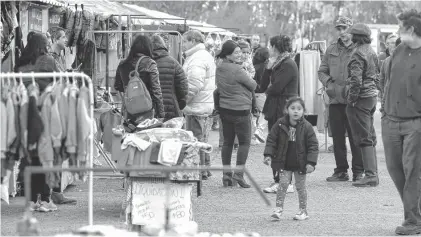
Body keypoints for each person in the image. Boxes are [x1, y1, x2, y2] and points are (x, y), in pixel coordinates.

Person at [382, 9, 421, 235]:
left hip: (415, 122)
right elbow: (388, 82)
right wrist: (385, 114)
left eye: (400, 28)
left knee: (413, 170)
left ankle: (413, 221)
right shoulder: (398, 50)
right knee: (395, 169)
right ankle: (415, 211)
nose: (397, 32)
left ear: (412, 30)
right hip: (391, 121)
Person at [15, 32, 59, 212]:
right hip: (45, 111)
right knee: (46, 157)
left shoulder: (20, 63)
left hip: (24, 112)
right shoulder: (48, 61)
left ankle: (32, 200)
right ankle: (46, 199)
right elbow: (58, 81)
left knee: (30, 157)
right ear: (43, 45)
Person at [318, 16, 364, 183]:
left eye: (344, 28)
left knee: (355, 137)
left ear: (351, 28)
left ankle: (359, 171)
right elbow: (321, 71)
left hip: (354, 100)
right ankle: (341, 171)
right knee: (337, 137)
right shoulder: (331, 49)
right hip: (335, 99)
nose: (342, 32)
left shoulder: (360, 49)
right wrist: (329, 84)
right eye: (339, 28)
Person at [263, 97, 318, 221]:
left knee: (300, 187)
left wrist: (311, 163)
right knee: (282, 185)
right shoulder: (280, 124)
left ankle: (303, 211)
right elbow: (271, 140)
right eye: (292, 108)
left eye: (299, 109)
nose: (296, 111)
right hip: (284, 162)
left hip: (300, 163)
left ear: (303, 111)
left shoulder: (307, 126)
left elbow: (313, 146)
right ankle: (278, 209)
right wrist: (268, 155)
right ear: (287, 110)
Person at [257, 35, 298, 193]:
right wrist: (267, 69)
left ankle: (285, 182)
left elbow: (276, 87)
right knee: (276, 143)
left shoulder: (288, 64)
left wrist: (268, 89)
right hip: (276, 106)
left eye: (270, 45)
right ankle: (279, 180)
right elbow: (263, 86)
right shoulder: (277, 63)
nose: (268, 48)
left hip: (284, 107)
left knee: (283, 145)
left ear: (276, 47)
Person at [216, 40, 257, 188]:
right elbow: (253, 85)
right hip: (241, 110)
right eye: (236, 53)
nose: (240, 55)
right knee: (244, 143)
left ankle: (226, 176)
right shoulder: (238, 70)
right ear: (228, 54)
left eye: (240, 52)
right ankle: (238, 175)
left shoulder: (219, 67)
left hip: (225, 109)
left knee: (227, 142)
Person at [346, 23, 379, 187]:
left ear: (355, 37)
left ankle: (370, 175)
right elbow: (377, 74)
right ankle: (373, 173)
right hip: (372, 96)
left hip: (361, 98)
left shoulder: (358, 53)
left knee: (364, 137)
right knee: (371, 135)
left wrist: (351, 99)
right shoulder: (371, 51)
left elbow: (356, 80)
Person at [182, 30, 216, 180]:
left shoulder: (197, 58)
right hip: (203, 103)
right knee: (202, 138)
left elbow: (194, 84)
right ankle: (205, 168)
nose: (182, 45)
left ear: (193, 41)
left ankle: (199, 170)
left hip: (197, 104)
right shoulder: (203, 55)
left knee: (196, 140)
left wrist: (184, 100)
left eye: (185, 41)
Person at [114, 34, 165, 123]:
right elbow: (156, 91)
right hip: (146, 108)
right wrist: (161, 114)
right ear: (149, 47)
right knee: (145, 134)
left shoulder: (122, 64)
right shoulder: (150, 63)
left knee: (129, 133)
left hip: (129, 108)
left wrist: (131, 90)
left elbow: (117, 86)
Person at [150, 34, 188, 121]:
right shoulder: (174, 63)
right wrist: (180, 105)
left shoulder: (146, 63)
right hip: (172, 108)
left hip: (152, 110)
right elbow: (183, 88)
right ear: (164, 46)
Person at [379, 37, 401, 114]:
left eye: (394, 43)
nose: (392, 45)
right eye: (389, 43)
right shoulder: (385, 60)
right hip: (389, 99)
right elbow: (381, 80)